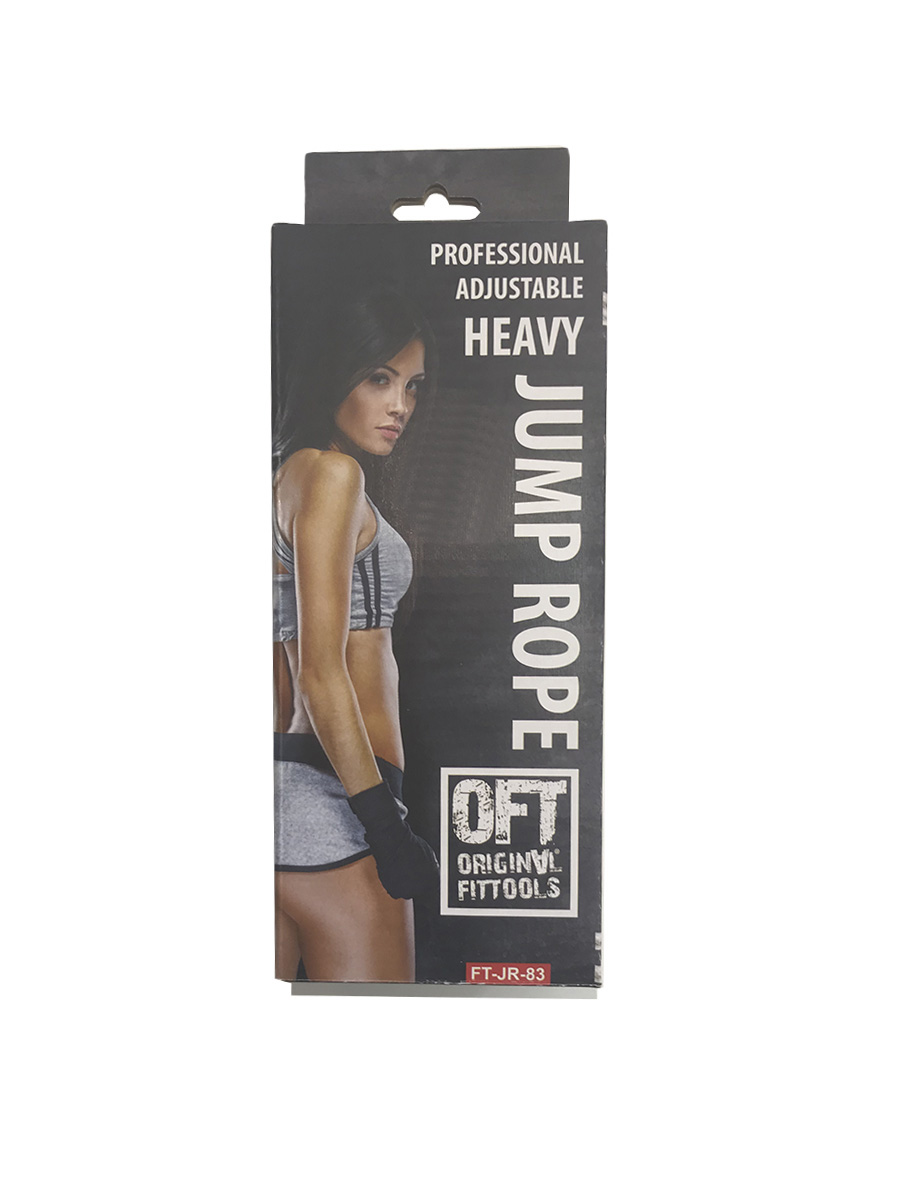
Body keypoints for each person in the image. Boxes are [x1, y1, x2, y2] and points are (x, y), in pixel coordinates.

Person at [272, 287, 439, 982]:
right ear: (333, 371)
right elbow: (319, 670)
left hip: (288, 789)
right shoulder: (333, 474)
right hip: (341, 808)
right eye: (379, 378)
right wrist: (386, 829)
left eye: (412, 385)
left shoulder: (285, 477)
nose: (399, 404)